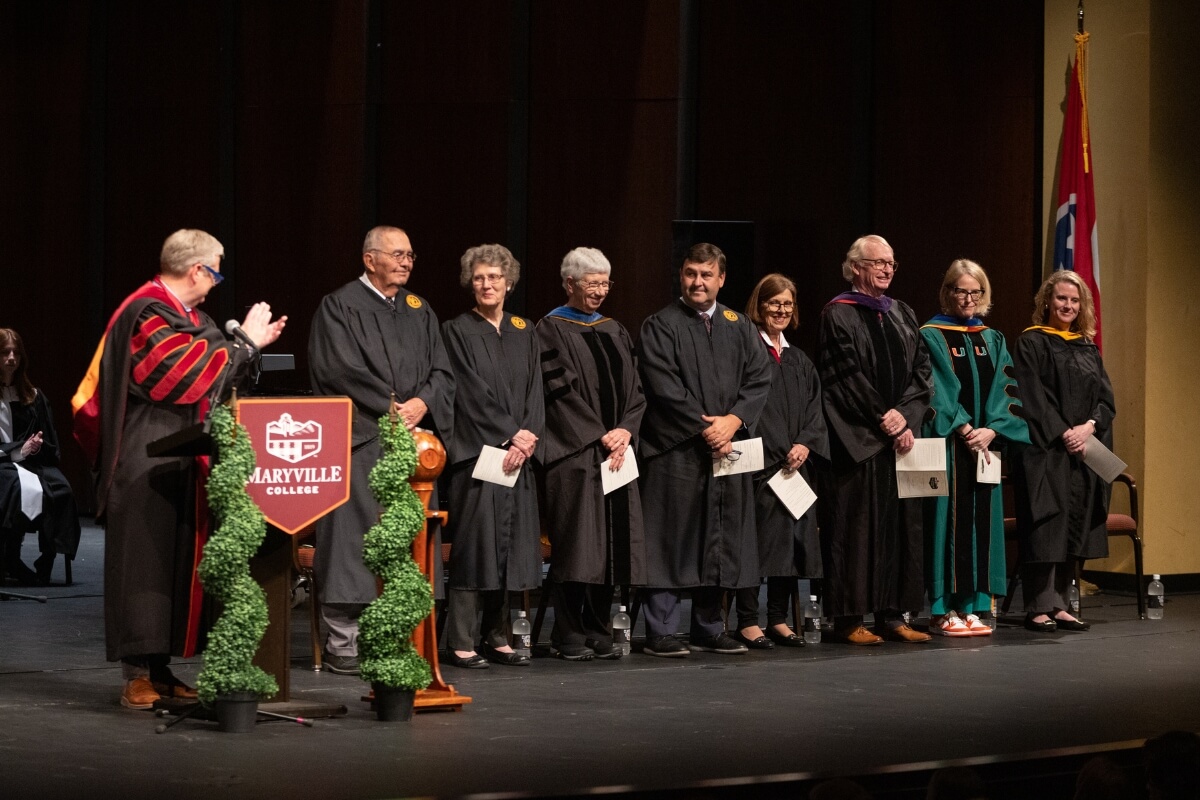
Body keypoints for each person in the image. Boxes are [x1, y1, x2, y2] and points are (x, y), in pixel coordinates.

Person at [72, 228, 287, 709]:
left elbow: (219, 369)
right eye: (216, 271)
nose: (216, 282)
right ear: (198, 270)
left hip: (185, 454)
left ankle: (162, 668)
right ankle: (136, 676)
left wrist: (252, 349)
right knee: (144, 569)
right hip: (145, 455)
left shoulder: (194, 316)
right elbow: (177, 377)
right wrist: (244, 343)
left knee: (174, 568)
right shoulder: (145, 311)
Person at [308, 225, 454, 673]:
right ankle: (344, 642)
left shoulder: (419, 309)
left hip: (412, 445)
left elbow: (442, 371)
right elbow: (337, 370)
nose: (407, 262)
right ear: (370, 259)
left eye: (410, 254)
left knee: (407, 539)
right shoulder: (339, 306)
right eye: (397, 254)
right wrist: (389, 406)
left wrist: (422, 403)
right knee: (352, 538)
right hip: (361, 439)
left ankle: (400, 634)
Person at [636, 242, 772, 657]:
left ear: (722, 279)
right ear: (681, 275)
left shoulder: (738, 324)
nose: (699, 281)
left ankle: (709, 626)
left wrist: (735, 420)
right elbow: (664, 386)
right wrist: (706, 427)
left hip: (728, 446)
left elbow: (759, 376)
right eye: (692, 273)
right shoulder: (660, 324)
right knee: (670, 539)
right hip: (675, 450)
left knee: (721, 535)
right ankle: (662, 629)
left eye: (707, 274)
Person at [816, 234, 932, 645]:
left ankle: (893, 614)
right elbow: (845, 376)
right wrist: (884, 418)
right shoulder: (838, 314)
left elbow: (922, 373)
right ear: (856, 267)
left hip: (899, 441)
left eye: (891, 262)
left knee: (902, 529)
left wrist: (906, 417)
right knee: (856, 529)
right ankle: (848, 619)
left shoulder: (902, 313)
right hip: (859, 442)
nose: (886, 269)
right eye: (878, 262)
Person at [536, 247, 646, 661]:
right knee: (578, 543)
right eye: (591, 284)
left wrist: (625, 431)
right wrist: (599, 435)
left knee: (614, 544)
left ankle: (600, 628)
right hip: (575, 453)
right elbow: (556, 391)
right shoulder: (550, 328)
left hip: (617, 451)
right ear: (570, 284)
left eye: (605, 283)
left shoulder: (615, 328)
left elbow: (636, 389)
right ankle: (568, 632)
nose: (600, 291)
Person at [440, 244, 543, 669]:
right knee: (475, 547)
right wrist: (508, 434)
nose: (487, 284)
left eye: (495, 277)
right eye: (480, 277)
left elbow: (536, 389)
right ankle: (461, 639)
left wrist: (529, 436)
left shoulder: (525, 328)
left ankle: (498, 635)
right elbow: (466, 391)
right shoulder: (456, 330)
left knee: (512, 547)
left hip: (521, 455)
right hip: (479, 456)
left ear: (508, 282)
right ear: (470, 282)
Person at [919, 260, 1029, 637]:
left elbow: (1007, 392)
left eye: (975, 292)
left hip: (984, 446)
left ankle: (975, 605)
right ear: (947, 293)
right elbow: (935, 388)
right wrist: (966, 427)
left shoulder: (993, 339)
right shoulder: (931, 335)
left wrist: (992, 430)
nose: (968, 298)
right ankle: (942, 608)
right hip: (948, 445)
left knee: (982, 521)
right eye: (961, 291)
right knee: (945, 522)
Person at [1011, 270, 1113, 633]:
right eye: (1061, 299)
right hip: (1046, 449)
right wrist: (1062, 431)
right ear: (1047, 302)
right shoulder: (1031, 343)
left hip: (1083, 450)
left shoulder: (1088, 347)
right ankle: (1039, 606)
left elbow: (1105, 399)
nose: (1068, 305)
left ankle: (1062, 603)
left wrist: (1088, 428)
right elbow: (1030, 395)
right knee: (1046, 523)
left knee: (1076, 522)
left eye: (1074, 300)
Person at [731, 274, 828, 650]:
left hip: (793, 467)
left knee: (789, 544)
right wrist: (775, 451)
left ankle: (778, 619)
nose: (782, 310)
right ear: (760, 304)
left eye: (788, 304)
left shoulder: (797, 358)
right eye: (775, 303)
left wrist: (805, 443)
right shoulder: (745, 351)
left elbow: (814, 410)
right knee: (752, 545)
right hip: (758, 465)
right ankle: (747, 621)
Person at [0, 329, 81, 586]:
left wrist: (36, 445)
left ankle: (47, 559)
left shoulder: (33, 396)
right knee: (16, 487)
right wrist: (15, 451)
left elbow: (50, 443)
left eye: (16, 352)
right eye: (5, 352)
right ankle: (9, 558)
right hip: (2, 463)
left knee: (61, 490)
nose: (11, 358)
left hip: (31, 463)